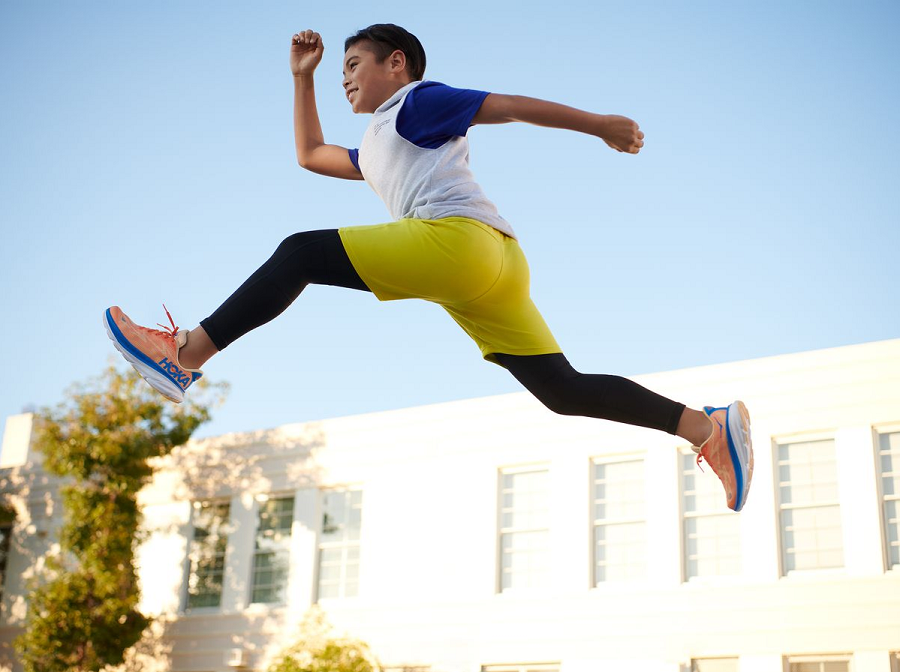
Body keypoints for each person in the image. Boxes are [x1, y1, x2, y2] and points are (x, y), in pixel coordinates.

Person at [105, 24, 753, 511]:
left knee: (301, 253)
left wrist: (598, 125)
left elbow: (507, 106)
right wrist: (304, 76)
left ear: (397, 64)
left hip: (460, 244)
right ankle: (704, 427)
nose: (347, 77)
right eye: (342, 73)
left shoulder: (416, 104)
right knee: (563, 390)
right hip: (495, 265)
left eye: (354, 65)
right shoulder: (377, 143)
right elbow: (309, 155)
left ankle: (185, 353)